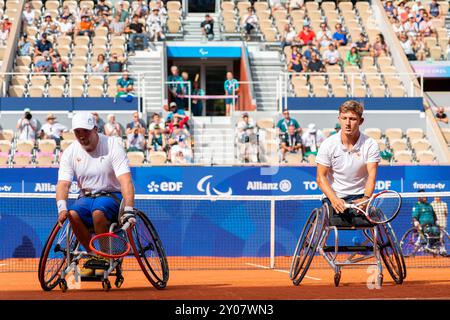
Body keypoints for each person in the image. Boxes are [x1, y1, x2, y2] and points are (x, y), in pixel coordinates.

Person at [56, 112, 135, 276]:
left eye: (85, 131)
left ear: (95, 129)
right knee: (72, 214)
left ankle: (107, 256)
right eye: (77, 132)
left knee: (98, 213)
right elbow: (63, 183)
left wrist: (129, 209)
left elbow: (126, 180)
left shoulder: (112, 144)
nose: (82, 136)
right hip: (86, 197)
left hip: (111, 196)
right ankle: (95, 256)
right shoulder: (70, 152)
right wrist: (61, 208)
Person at [316, 100, 380, 224]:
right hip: (334, 196)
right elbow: (320, 178)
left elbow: (371, 177)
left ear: (361, 121)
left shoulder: (370, 144)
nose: (347, 123)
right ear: (339, 119)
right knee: (327, 223)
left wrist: (365, 198)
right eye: (344, 118)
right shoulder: (328, 144)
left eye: (352, 119)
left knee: (376, 224)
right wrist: (334, 199)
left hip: (360, 197)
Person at [412, 190, 446, 255]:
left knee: (437, 231)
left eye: (425, 195)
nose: (425, 196)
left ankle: (439, 249)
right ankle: (426, 247)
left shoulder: (429, 206)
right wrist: (416, 222)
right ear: (418, 197)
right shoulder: (417, 206)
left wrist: (437, 221)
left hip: (432, 225)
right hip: (423, 227)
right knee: (431, 230)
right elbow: (414, 216)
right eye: (422, 195)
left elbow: (434, 215)